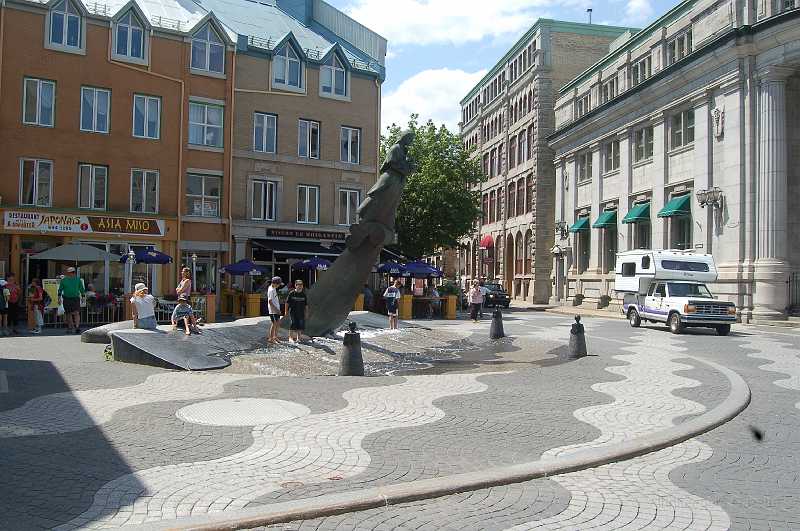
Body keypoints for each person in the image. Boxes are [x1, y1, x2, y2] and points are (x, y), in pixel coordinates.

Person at [58, 267, 85, 334]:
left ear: (74, 273)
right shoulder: (64, 280)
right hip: (67, 298)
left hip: (75, 298)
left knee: (76, 312)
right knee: (68, 313)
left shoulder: (78, 280)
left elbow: (81, 289)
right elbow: (60, 290)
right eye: (70, 273)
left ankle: (77, 327)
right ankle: (70, 327)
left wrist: (83, 297)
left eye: (72, 272)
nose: (71, 274)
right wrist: (59, 298)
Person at [267, 276, 282, 344]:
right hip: (273, 310)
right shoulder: (271, 290)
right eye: (278, 284)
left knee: (278, 323)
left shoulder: (274, 288)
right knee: (274, 324)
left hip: (276, 309)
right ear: (275, 283)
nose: (279, 286)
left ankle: (275, 336)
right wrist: (276, 310)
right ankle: (271, 338)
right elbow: (270, 301)